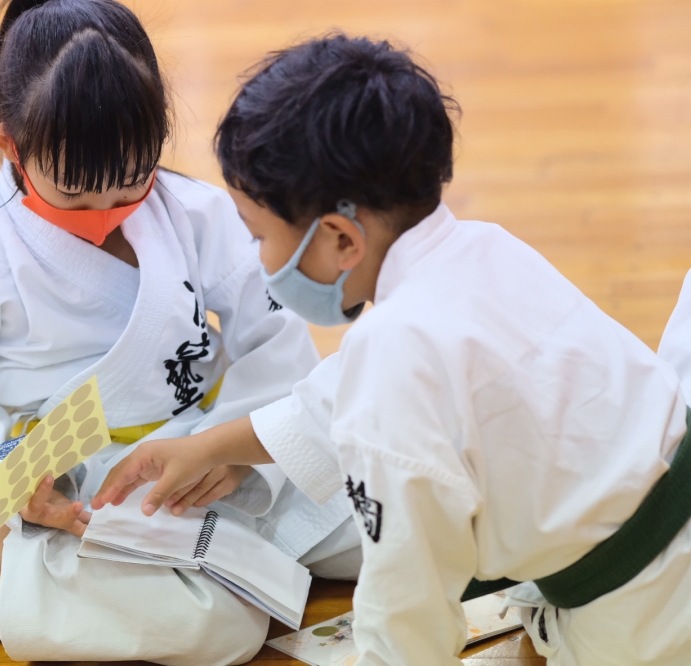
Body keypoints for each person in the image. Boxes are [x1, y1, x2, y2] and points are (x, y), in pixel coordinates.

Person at [93, 34, 691, 666]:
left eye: (259, 234)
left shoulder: (396, 354)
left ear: (340, 239)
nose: (257, 259)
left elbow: (406, 605)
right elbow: (352, 390)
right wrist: (212, 446)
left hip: (644, 622)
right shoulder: (483, 249)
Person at [0, 2, 362, 664]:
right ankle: (3, 561)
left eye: (131, 185)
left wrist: (233, 446)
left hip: (212, 456)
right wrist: (4, 478)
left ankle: (241, 558)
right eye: (75, 196)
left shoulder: (194, 213)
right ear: (9, 145)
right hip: (83, 495)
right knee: (217, 629)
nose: (105, 214)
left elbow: (272, 338)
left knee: (387, 516)